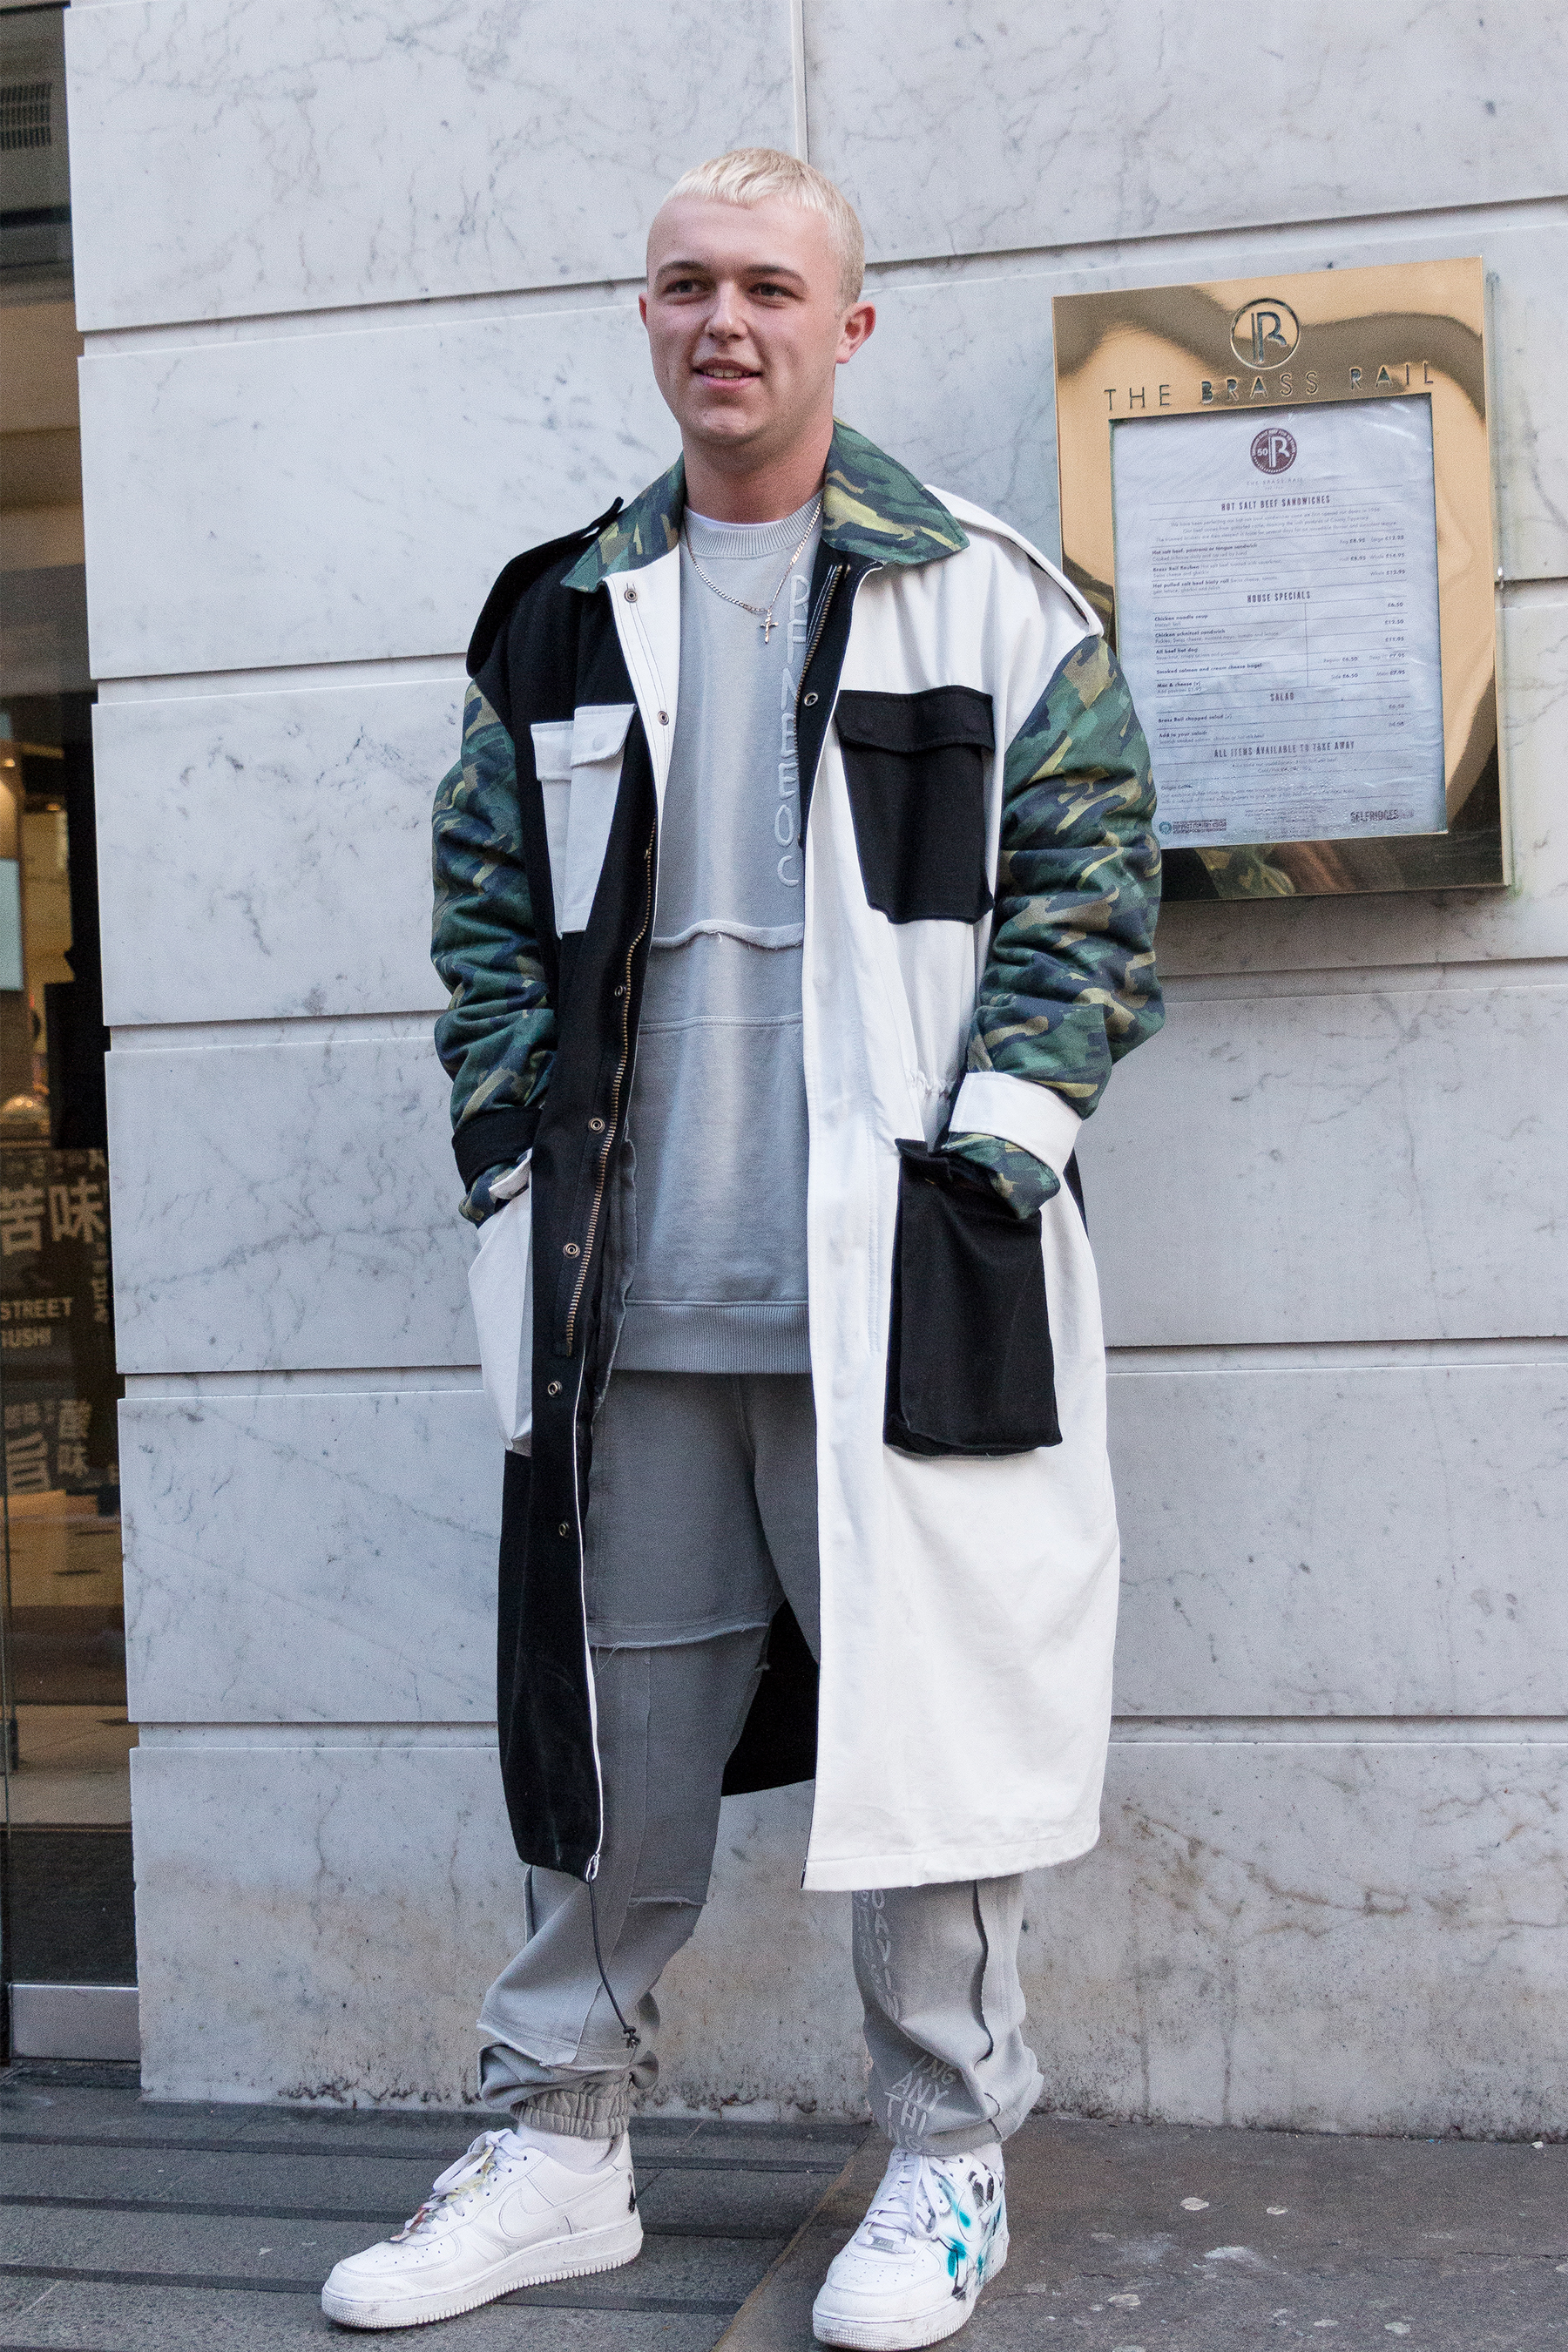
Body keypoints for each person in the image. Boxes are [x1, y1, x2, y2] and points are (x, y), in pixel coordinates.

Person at [322, 146, 1161, 2349]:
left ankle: (945, 2157)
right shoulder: (557, 615)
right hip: (632, 1307)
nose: (727, 321)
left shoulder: (990, 600)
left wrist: (991, 1163)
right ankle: (559, 2145)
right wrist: (511, 1162)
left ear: (847, 325)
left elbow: (1090, 906)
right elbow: (485, 925)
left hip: (901, 1294)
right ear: (647, 313)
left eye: (773, 288)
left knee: (932, 1754)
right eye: (689, 282)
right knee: (607, 1756)